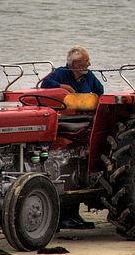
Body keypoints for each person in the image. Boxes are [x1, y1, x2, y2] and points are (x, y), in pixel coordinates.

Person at [41, 46, 103, 230]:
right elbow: (44, 86)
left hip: (85, 119)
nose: (89, 64)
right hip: (66, 121)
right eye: (86, 61)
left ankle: (73, 215)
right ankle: (66, 216)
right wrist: (62, 87)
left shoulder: (89, 76)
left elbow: (100, 91)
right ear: (76, 63)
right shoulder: (60, 74)